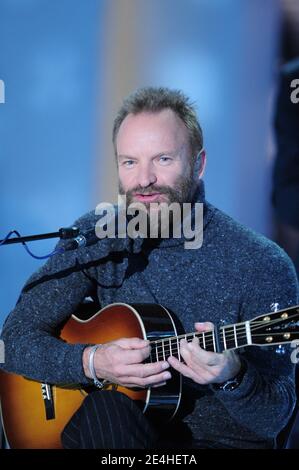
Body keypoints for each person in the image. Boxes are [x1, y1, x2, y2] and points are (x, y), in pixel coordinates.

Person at [1, 87, 298, 449]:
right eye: (129, 162)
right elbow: (13, 340)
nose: (143, 180)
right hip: (117, 433)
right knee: (107, 411)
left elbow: (275, 418)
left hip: (218, 444)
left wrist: (232, 376)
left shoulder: (261, 263)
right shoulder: (98, 236)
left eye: (162, 160)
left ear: (198, 164)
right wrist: (92, 361)